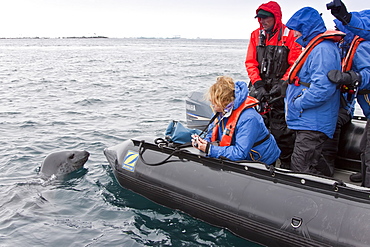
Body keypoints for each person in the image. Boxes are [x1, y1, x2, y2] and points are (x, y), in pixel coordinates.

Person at [284, 7, 342, 174]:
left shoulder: (322, 50)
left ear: (306, 28)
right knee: (312, 159)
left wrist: (297, 103)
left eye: (296, 30)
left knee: (300, 167)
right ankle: (329, 182)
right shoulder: (317, 47)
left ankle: (308, 197)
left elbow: (323, 88)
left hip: (313, 120)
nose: (294, 34)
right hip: (310, 119)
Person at [245, 1, 302, 169]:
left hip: (281, 91)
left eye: (265, 18)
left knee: (282, 130)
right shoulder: (255, 35)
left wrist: (284, 84)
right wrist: (258, 84)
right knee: (257, 125)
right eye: (260, 18)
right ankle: (260, 161)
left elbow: (295, 63)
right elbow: (250, 62)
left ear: (275, 17)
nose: (262, 21)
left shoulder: (290, 35)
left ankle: (285, 164)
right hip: (260, 89)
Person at [192, 76, 281, 165]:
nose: (210, 101)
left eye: (214, 99)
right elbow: (211, 135)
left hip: (261, 159)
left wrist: (210, 149)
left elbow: (240, 153)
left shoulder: (249, 118)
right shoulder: (220, 112)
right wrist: (203, 143)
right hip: (237, 152)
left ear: (224, 100)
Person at [327, 19, 370, 186]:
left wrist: (353, 78)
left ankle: (365, 194)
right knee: (365, 145)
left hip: (350, 105)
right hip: (362, 105)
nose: (338, 30)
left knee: (368, 148)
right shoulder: (346, 47)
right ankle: (364, 173)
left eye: (341, 27)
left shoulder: (363, 47)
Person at [316, 19, 357, 177]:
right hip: (332, 102)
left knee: (332, 123)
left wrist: (347, 77)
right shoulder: (336, 48)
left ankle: (328, 166)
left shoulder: (353, 50)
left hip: (343, 106)